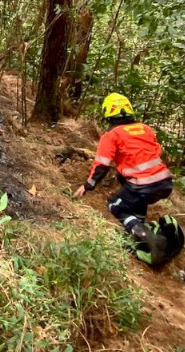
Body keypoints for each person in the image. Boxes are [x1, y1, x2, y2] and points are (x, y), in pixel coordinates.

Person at [73, 93, 173, 253]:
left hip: (142, 184)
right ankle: (138, 240)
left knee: (115, 206)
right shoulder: (146, 129)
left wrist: (87, 186)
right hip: (165, 182)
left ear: (108, 113)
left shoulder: (112, 135)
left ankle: (145, 235)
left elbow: (102, 165)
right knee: (136, 201)